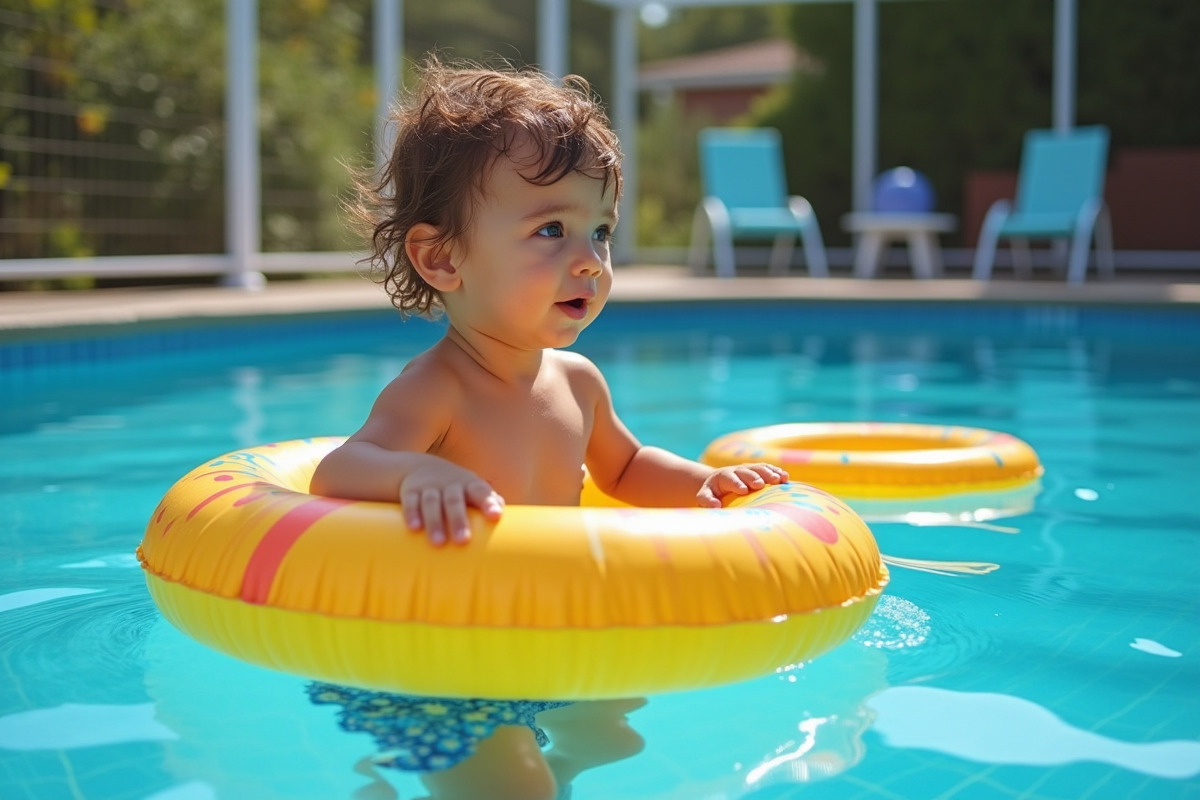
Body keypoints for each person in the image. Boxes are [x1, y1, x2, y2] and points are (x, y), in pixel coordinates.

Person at [310, 58, 788, 545]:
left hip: (553, 610)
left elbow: (625, 469)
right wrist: (413, 475)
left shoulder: (580, 382)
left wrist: (702, 483)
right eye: (551, 230)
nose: (591, 262)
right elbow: (339, 471)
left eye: (601, 231)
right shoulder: (436, 390)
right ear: (442, 259)